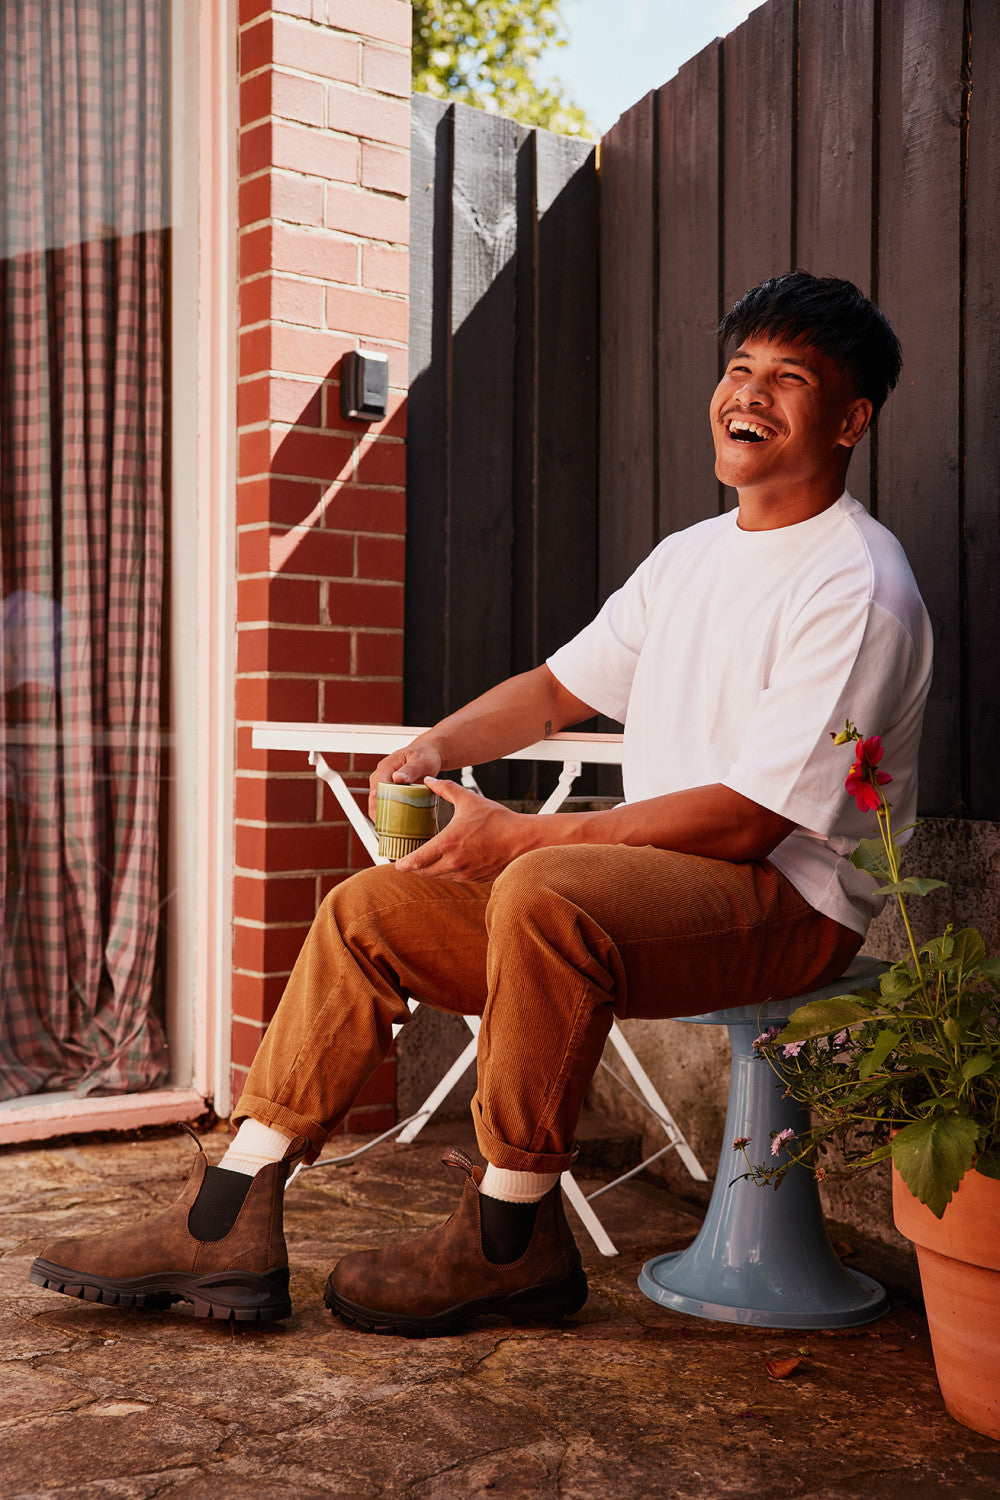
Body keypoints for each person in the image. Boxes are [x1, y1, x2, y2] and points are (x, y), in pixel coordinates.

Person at [29, 271, 932, 1335]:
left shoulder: (856, 583)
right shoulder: (690, 557)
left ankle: (508, 1237)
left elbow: (749, 821)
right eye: (740, 368)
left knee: (548, 883)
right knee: (372, 909)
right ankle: (227, 1209)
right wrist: (436, 745)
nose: (751, 392)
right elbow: (556, 690)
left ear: (849, 418)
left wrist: (526, 838)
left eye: (790, 378)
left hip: (788, 911)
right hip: (648, 899)